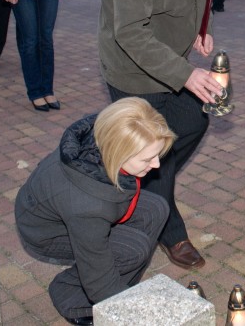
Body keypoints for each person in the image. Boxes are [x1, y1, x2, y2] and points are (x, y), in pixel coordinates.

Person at [98, 0, 238, 269]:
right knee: (152, 148)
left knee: (191, 124)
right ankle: (169, 231)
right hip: (134, 69)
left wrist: (198, 26)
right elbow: (129, 33)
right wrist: (186, 74)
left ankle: (140, 184)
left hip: (173, 60)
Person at [15, 97, 175, 325]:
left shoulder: (103, 138)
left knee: (156, 209)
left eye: (157, 155)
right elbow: (98, 276)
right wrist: (136, 314)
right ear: (118, 154)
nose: (157, 165)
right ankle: (71, 296)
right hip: (48, 233)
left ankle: (122, 285)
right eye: (147, 159)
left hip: (71, 208)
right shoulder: (88, 205)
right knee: (132, 251)